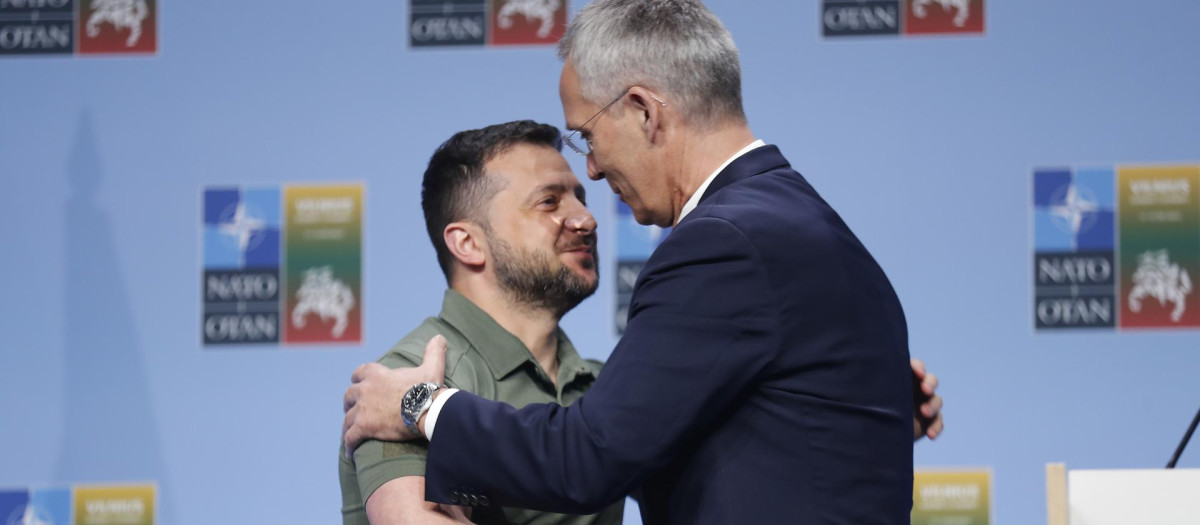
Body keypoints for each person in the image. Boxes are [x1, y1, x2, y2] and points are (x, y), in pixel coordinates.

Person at [343, 2, 933, 523]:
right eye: (549, 199)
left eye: (588, 138)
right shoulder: (807, 224)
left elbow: (589, 456)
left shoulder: (722, 243)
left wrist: (420, 404)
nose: (593, 178)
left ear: (645, 112)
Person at [338, 121, 624, 525]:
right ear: (468, 243)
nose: (586, 220)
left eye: (580, 198)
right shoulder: (405, 385)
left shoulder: (604, 383)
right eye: (549, 202)